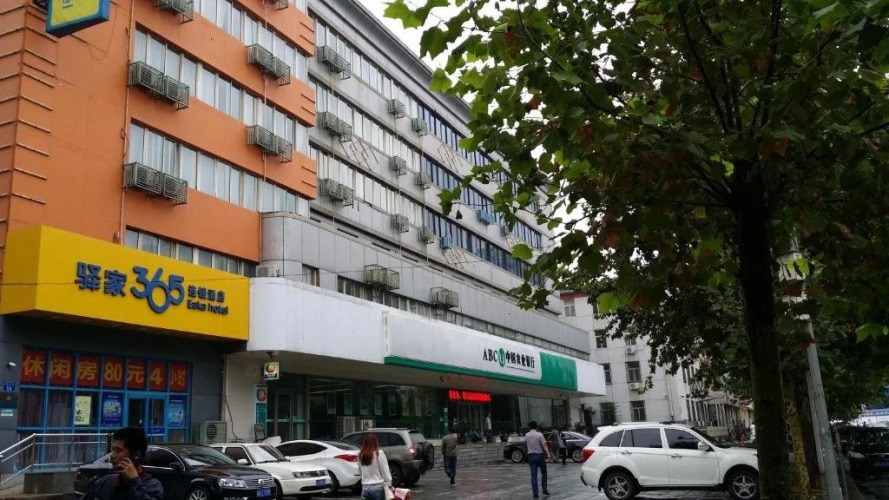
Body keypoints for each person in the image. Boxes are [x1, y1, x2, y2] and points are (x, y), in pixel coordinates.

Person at [83, 427, 163, 500]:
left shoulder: (152, 486)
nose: (112, 455)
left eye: (118, 450)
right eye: (113, 450)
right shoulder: (104, 482)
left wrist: (134, 481)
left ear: (136, 455)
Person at [358, 434, 392, 500]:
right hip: (378, 486)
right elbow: (385, 470)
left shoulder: (361, 455)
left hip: (365, 487)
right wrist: (389, 484)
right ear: (375, 442)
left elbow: (360, 472)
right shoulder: (379, 453)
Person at [525, 421, 552, 498]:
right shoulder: (539, 434)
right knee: (544, 472)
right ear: (536, 427)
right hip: (539, 456)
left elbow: (526, 444)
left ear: (529, 427)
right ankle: (544, 489)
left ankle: (535, 493)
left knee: (533, 475)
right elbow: (544, 445)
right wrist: (548, 454)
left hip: (531, 456)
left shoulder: (527, 435)